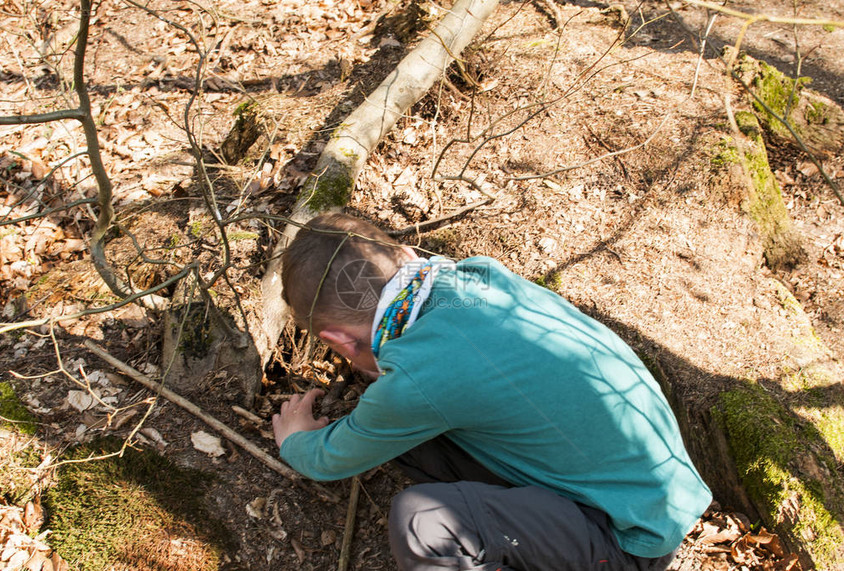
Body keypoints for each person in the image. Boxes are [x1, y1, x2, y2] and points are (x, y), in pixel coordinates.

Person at [272, 213, 712, 571]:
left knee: (421, 524)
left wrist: (296, 441)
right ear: (405, 255)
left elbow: (330, 459)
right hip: (651, 493)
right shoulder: (476, 277)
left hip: (630, 539)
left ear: (340, 342)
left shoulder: (418, 381)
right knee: (407, 440)